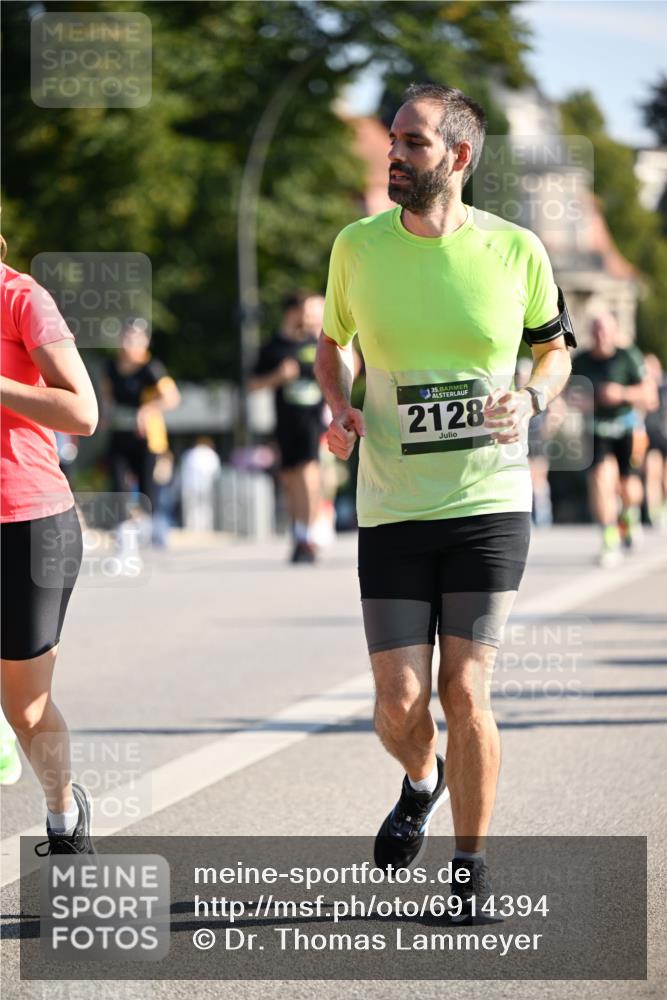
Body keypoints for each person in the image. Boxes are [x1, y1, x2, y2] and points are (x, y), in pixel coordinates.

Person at [315, 83, 575, 920]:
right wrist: (338, 404)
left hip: (488, 500)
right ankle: (421, 780)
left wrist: (531, 398)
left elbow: (554, 349)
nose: (393, 154)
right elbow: (332, 341)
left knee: (464, 692)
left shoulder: (515, 250)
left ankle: (469, 871)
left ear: (458, 156)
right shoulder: (358, 246)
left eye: (412, 142)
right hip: (393, 504)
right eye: (392, 139)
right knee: (398, 706)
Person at [0, 238, 98, 852]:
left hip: (28, 522)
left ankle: (63, 815)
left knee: (27, 709)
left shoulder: (21, 299)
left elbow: (82, 413)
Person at [572, 313, 656, 566]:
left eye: (606, 331)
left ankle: (629, 515)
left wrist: (621, 393)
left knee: (628, 486)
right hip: (596, 429)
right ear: (591, 334)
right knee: (600, 480)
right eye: (597, 331)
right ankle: (609, 537)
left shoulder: (627, 356)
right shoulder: (582, 361)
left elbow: (650, 396)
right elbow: (568, 395)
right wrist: (586, 400)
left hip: (627, 428)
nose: (602, 336)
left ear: (615, 332)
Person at [249, 292, 326, 563]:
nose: (310, 317)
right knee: (291, 479)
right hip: (285, 423)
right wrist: (278, 377)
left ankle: (309, 536)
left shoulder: (316, 342)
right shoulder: (273, 347)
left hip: (312, 422)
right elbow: (252, 384)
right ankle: (298, 534)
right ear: (291, 313)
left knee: (309, 473)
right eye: (305, 311)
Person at [101, 319, 180, 551]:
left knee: (147, 488)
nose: (130, 343)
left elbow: (172, 398)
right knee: (118, 484)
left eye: (136, 338)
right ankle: (123, 534)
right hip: (119, 434)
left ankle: (150, 532)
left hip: (146, 438)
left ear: (145, 341)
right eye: (126, 337)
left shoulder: (151, 368)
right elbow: (107, 396)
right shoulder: (111, 366)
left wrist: (146, 410)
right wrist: (104, 416)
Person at [644, 353, 667, 529]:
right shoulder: (642, 388)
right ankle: (654, 511)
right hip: (650, 435)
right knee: (652, 473)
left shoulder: (664, 388)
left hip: (664, 434)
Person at [180, 436, 222, 532]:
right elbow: (216, 472)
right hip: (207, 486)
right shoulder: (211, 454)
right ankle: (205, 527)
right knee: (206, 507)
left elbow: (183, 470)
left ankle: (192, 527)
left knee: (191, 507)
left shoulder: (190, 453)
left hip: (190, 486)